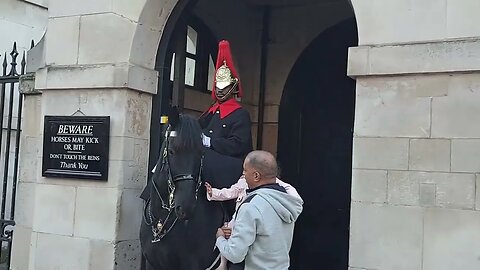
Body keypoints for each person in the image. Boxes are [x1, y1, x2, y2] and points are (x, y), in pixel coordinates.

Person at [215, 151, 304, 270]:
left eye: (245, 170)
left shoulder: (251, 206)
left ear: (256, 176)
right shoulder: (287, 201)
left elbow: (235, 255)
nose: (243, 174)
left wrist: (220, 238)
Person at [199, 40, 253, 215]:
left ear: (233, 87)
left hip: (229, 162)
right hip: (206, 157)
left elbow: (239, 144)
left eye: (225, 87)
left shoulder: (240, 114)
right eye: (218, 87)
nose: (221, 90)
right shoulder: (210, 111)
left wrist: (210, 142)